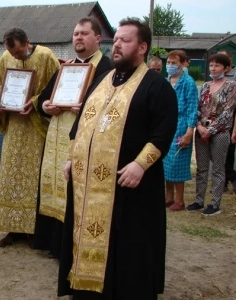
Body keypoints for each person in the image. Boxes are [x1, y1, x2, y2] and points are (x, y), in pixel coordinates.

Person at [58, 17, 178, 299]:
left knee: (128, 245)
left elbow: (163, 132)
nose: (118, 45)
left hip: (129, 184)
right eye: (117, 40)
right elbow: (81, 126)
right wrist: (71, 157)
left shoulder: (156, 86)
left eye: (126, 40)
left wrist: (140, 164)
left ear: (142, 47)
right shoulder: (101, 81)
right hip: (88, 183)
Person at [34, 17, 112, 259]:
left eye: (84, 33)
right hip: (56, 138)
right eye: (76, 33)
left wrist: (89, 109)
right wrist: (46, 106)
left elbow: (114, 109)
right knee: (56, 187)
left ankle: (77, 244)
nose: (78, 37)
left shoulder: (108, 69)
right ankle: (55, 242)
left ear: (97, 38)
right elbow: (42, 99)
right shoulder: (64, 68)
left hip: (84, 140)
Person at [0, 28, 60, 247]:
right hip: (14, 126)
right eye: (13, 54)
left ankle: (35, 230)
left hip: (36, 126)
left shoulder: (46, 56)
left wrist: (37, 101)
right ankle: (13, 228)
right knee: (11, 176)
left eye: (19, 52)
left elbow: (56, 87)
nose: (16, 57)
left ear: (28, 42)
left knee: (34, 177)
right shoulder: (6, 57)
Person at [186, 54, 236, 216]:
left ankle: (215, 203)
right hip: (201, 131)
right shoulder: (206, 86)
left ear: (226, 68)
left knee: (218, 169)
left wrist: (211, 131)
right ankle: (199, 200)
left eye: (217, 66)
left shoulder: (231, 86)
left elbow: (228, 112)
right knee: (202, 168)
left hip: (220, 133)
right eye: (212, 66)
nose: (213, 69)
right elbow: (198, 107)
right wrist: (200, 127)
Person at [163, 50, 198, 211]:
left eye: (174, 63)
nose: (170, 66)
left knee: (178, 164)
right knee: (166, 163)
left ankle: (180, 199)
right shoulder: (167, 80)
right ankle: (168, 197)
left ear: (183, 63)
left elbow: (192, 108)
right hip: (167, 124)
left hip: (182, 125)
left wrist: (189, 131)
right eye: (168, 63)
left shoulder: (188, 82)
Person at [218, 50, 236, 192]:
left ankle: (232, 177)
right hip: (218, 120)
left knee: (230, 151)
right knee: (221, 152)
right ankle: (225, 180)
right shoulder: (217, 76)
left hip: (231, 117)